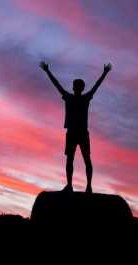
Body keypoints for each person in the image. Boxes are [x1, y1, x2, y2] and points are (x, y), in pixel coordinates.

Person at [40, 61, 112, 193]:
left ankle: (84, 186)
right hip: (75, 132)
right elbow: (95, 86)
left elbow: (57, 85)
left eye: (77, 86)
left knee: (81, 159)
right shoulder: (74, 98)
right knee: (75, 159)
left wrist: (47, 71)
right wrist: (105, 73)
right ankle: (74, 185)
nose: (76, 87)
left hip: (79, 132)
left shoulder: (77, 98)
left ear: (76, 88)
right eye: (76, 85)